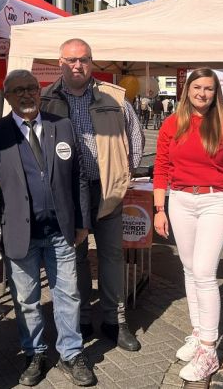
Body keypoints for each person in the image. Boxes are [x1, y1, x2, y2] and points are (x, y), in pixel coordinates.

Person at [0, 70, 96, 387]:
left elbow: (78, 177)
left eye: (32, 88)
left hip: (61, 230)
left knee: (68, 296)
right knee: (27, 300)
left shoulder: (61, 126)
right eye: (19, 90)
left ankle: (71, 354)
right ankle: (34, 353)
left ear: (40, 91)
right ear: (7, 97)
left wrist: (82, 222)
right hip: (20, 233)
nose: (27, 94)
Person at [40, 38, 143, 352]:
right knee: (77, 257)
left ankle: (114, 320)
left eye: (83, 59)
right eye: (70, 60)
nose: (77, 65)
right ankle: (83, 319)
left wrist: (122, 176)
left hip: (107, 189)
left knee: (112, 256)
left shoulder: (113, 97)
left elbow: (135, 138)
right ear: (60, 63)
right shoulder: (45, 99)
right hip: (69, 194)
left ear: (91, 62)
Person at [153, 68, 223, 382]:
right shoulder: (172, 123)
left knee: (205, 273)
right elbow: (162, 167)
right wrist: (159, 208)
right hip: (179, 200)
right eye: (197, 87)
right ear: (187, 90)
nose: (202, 93)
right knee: (189, 268)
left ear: (215, 93)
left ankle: (209, 350)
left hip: (215, 201)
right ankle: (198, 332)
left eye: (208, 88)